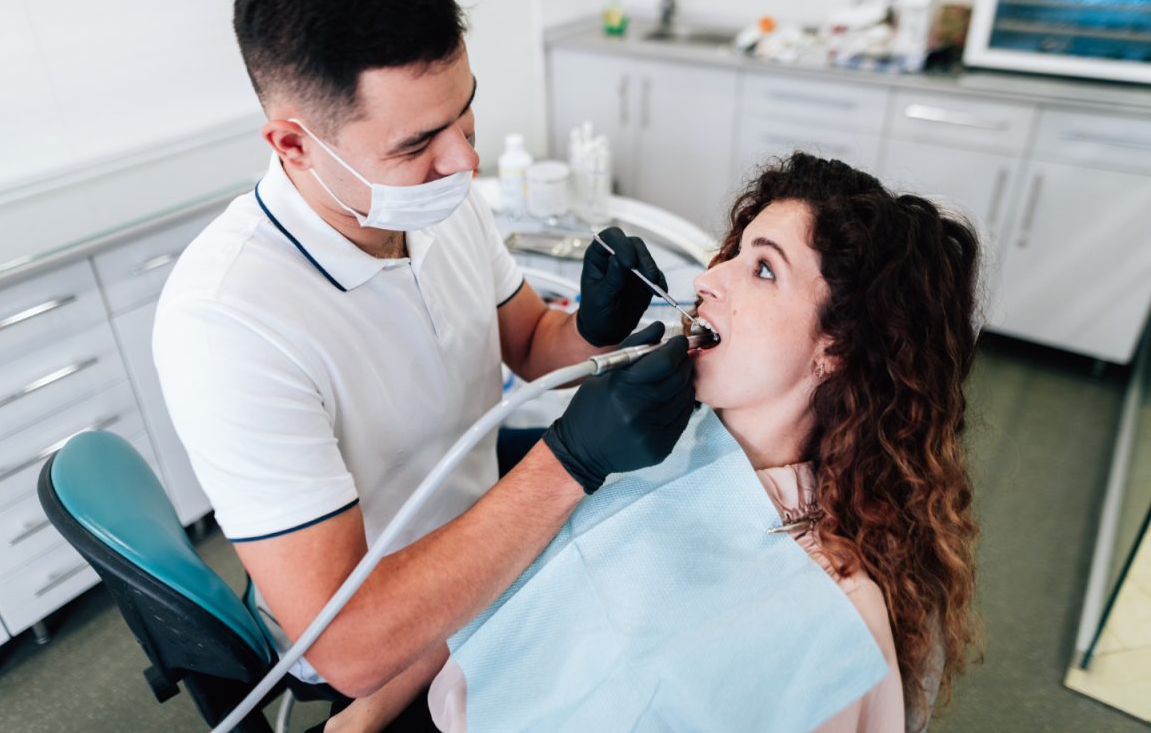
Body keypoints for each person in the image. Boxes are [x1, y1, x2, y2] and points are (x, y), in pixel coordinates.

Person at [152, 0, 695, 729]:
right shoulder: (228, 324)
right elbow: (348, 643)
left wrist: (596, 328)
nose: (463, 161)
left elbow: (532, 344)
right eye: (416, 145)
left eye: (465, 117)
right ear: (294, 144)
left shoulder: (440, 200)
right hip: (387, 636)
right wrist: (569, 462)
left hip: (493, 534)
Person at [408, 153, 982, 733]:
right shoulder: (657, 440)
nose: (707, 278)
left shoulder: (832, 626)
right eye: (735, 252)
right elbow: (492, 585)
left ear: (836, 347)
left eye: (762, 269)